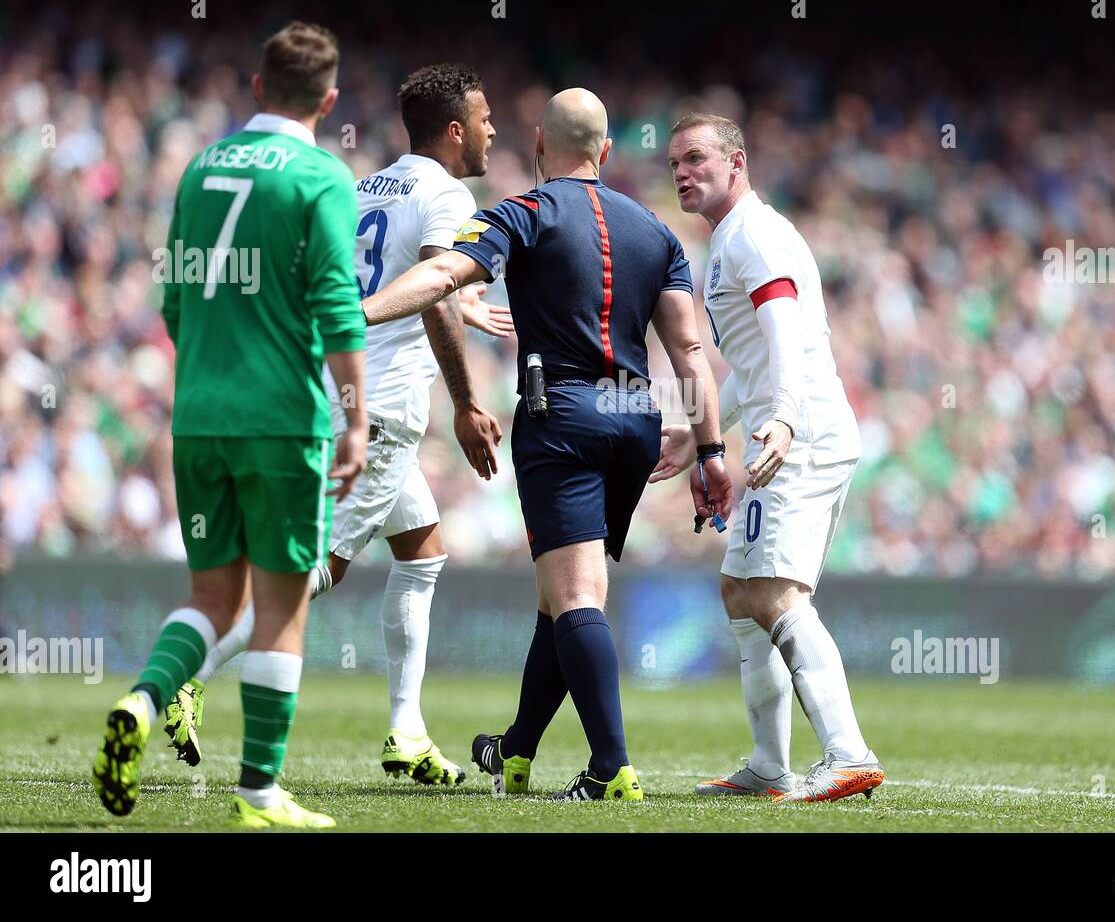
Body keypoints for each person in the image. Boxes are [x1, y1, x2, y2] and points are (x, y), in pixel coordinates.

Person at [361, 88, 733, 801]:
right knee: (560, 597)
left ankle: (610, 768)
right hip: (636, 420)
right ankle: (518, 749)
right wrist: (710, 450)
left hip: (559, 415)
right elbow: (688, 350)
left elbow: (443, 275)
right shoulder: (656, 232)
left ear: (538, 145)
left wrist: (359, 311)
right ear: (606, 152)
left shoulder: (522, 212)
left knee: (574, 597)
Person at [159, 64, 513, 786]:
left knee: (422, 548)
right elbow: (437, 287)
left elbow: (365, 276)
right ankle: (185, 677)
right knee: (319, 568)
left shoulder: (367, 185)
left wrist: (455, 302)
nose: (492, 130)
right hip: (379, 409)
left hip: (336, 390)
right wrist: (467, 402)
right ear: (454, 130)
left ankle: (407, 733)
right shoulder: (447, 193)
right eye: (483, 119)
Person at [92, 21, 367, 828]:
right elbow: (337, 306)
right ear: (329, 99)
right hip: (282, 421)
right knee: (280, 608)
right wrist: (353, 418)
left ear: (255, 88)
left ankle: (143, 704)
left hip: (198, 416)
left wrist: (216, 368)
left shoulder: (199, 167)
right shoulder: (321, 175)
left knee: (211, 592)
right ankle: (258, 793)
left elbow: (174, 298)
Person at [657, 112, 884, 803]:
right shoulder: (733, 240)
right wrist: (701, 431)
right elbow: (755, 361)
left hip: (798, 435)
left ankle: (848, 753)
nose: (682, 172)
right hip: (779, 430)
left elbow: (785, 333)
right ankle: (768, 764)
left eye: (696, 158)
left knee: (777, 594)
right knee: (739, 591)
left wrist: (782, 418)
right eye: (674, 164)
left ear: (737, 163)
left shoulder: (753, 234)